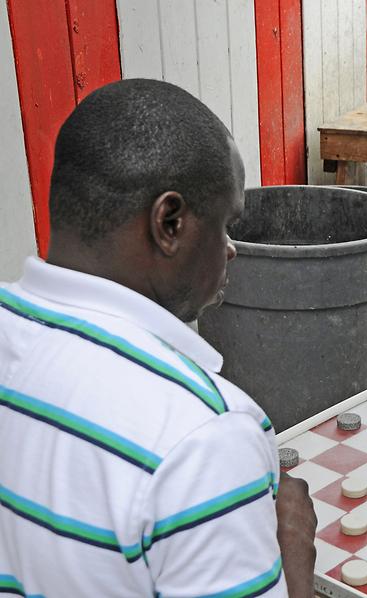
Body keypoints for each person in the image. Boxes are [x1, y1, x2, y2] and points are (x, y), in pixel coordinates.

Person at [0, 79, 316, 597]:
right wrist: (294, 555)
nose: (231, 249)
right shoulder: (203, 438)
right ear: (169, 222)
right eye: (225, 224)